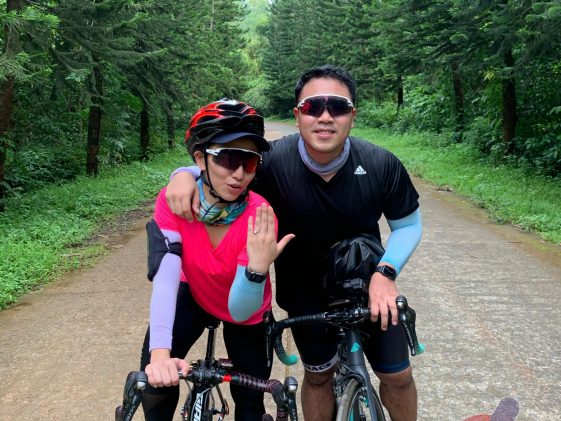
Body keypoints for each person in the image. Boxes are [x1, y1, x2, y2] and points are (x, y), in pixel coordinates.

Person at [165, 65, 422, 421]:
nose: (325, 117)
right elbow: (227, 169)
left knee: (398, 377)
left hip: (368, 282)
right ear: (297, 115)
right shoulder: (271, 163)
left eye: (338, 107)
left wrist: (386, 273)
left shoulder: (381, 163)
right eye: (313, 107)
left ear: (353, 115)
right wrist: (184, 174)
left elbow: (407, 225)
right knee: (318, 377)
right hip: (304, 292)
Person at [139, 99, 294, 421]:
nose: (239, 174)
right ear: (200, 158)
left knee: (250, 406)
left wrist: (257, 270)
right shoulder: (174, 200)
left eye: (249, 162)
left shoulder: (259, 215)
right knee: (153, 386)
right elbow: (166, 279)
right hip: (193, 293)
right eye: (227, 159)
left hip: (245, 310)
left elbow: (239, 311)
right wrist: (160, 356)